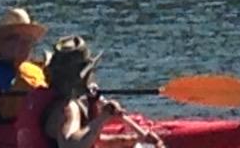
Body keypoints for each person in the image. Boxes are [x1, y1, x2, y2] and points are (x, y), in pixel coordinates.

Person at [18, 35, 163, 148]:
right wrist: (103, 117)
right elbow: (70, 145)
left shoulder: (50, 100)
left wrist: (130, 140)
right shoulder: (66, 109)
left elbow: (87, 140)